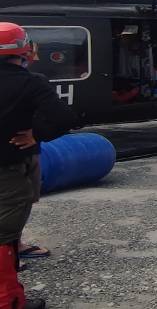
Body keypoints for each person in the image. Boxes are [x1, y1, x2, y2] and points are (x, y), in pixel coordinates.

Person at [0, 23, 76, 309]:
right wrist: (36, 133)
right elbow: (64, 118)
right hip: (10, 166)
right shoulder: (30, 81)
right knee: (4, 233)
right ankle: (8, 300)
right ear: (23, 48)